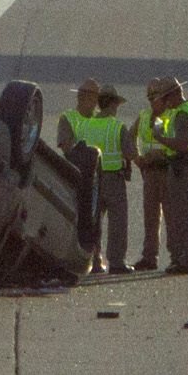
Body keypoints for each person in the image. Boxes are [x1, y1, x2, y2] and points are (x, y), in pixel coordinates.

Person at [144, 75, 188, 276]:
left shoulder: (183, 115)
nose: (166, 103)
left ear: (175, 94)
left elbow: (181, 144)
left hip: (182, 167)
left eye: (167, 98)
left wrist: (160, 137)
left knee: (184, 215)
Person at [64, 79, 133, 273]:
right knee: (117, 222)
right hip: (114, 179)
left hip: (92, 179)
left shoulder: (86, 125)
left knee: (93, 221)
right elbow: (130, 153)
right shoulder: (117, 126)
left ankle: (94, 261)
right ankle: (117, 262)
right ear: (112, 104)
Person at [133, 86, 172, 271]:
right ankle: (149, 257)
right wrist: (137, 158)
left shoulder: (172, 115)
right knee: (150, 217)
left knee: (172, 216)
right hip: (149, 172)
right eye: (148, 96)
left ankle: (176, 256)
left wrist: (159, 155)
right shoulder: (144, 116)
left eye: (154, 96)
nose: (151, 100)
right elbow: (128, 138)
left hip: (167, 170)